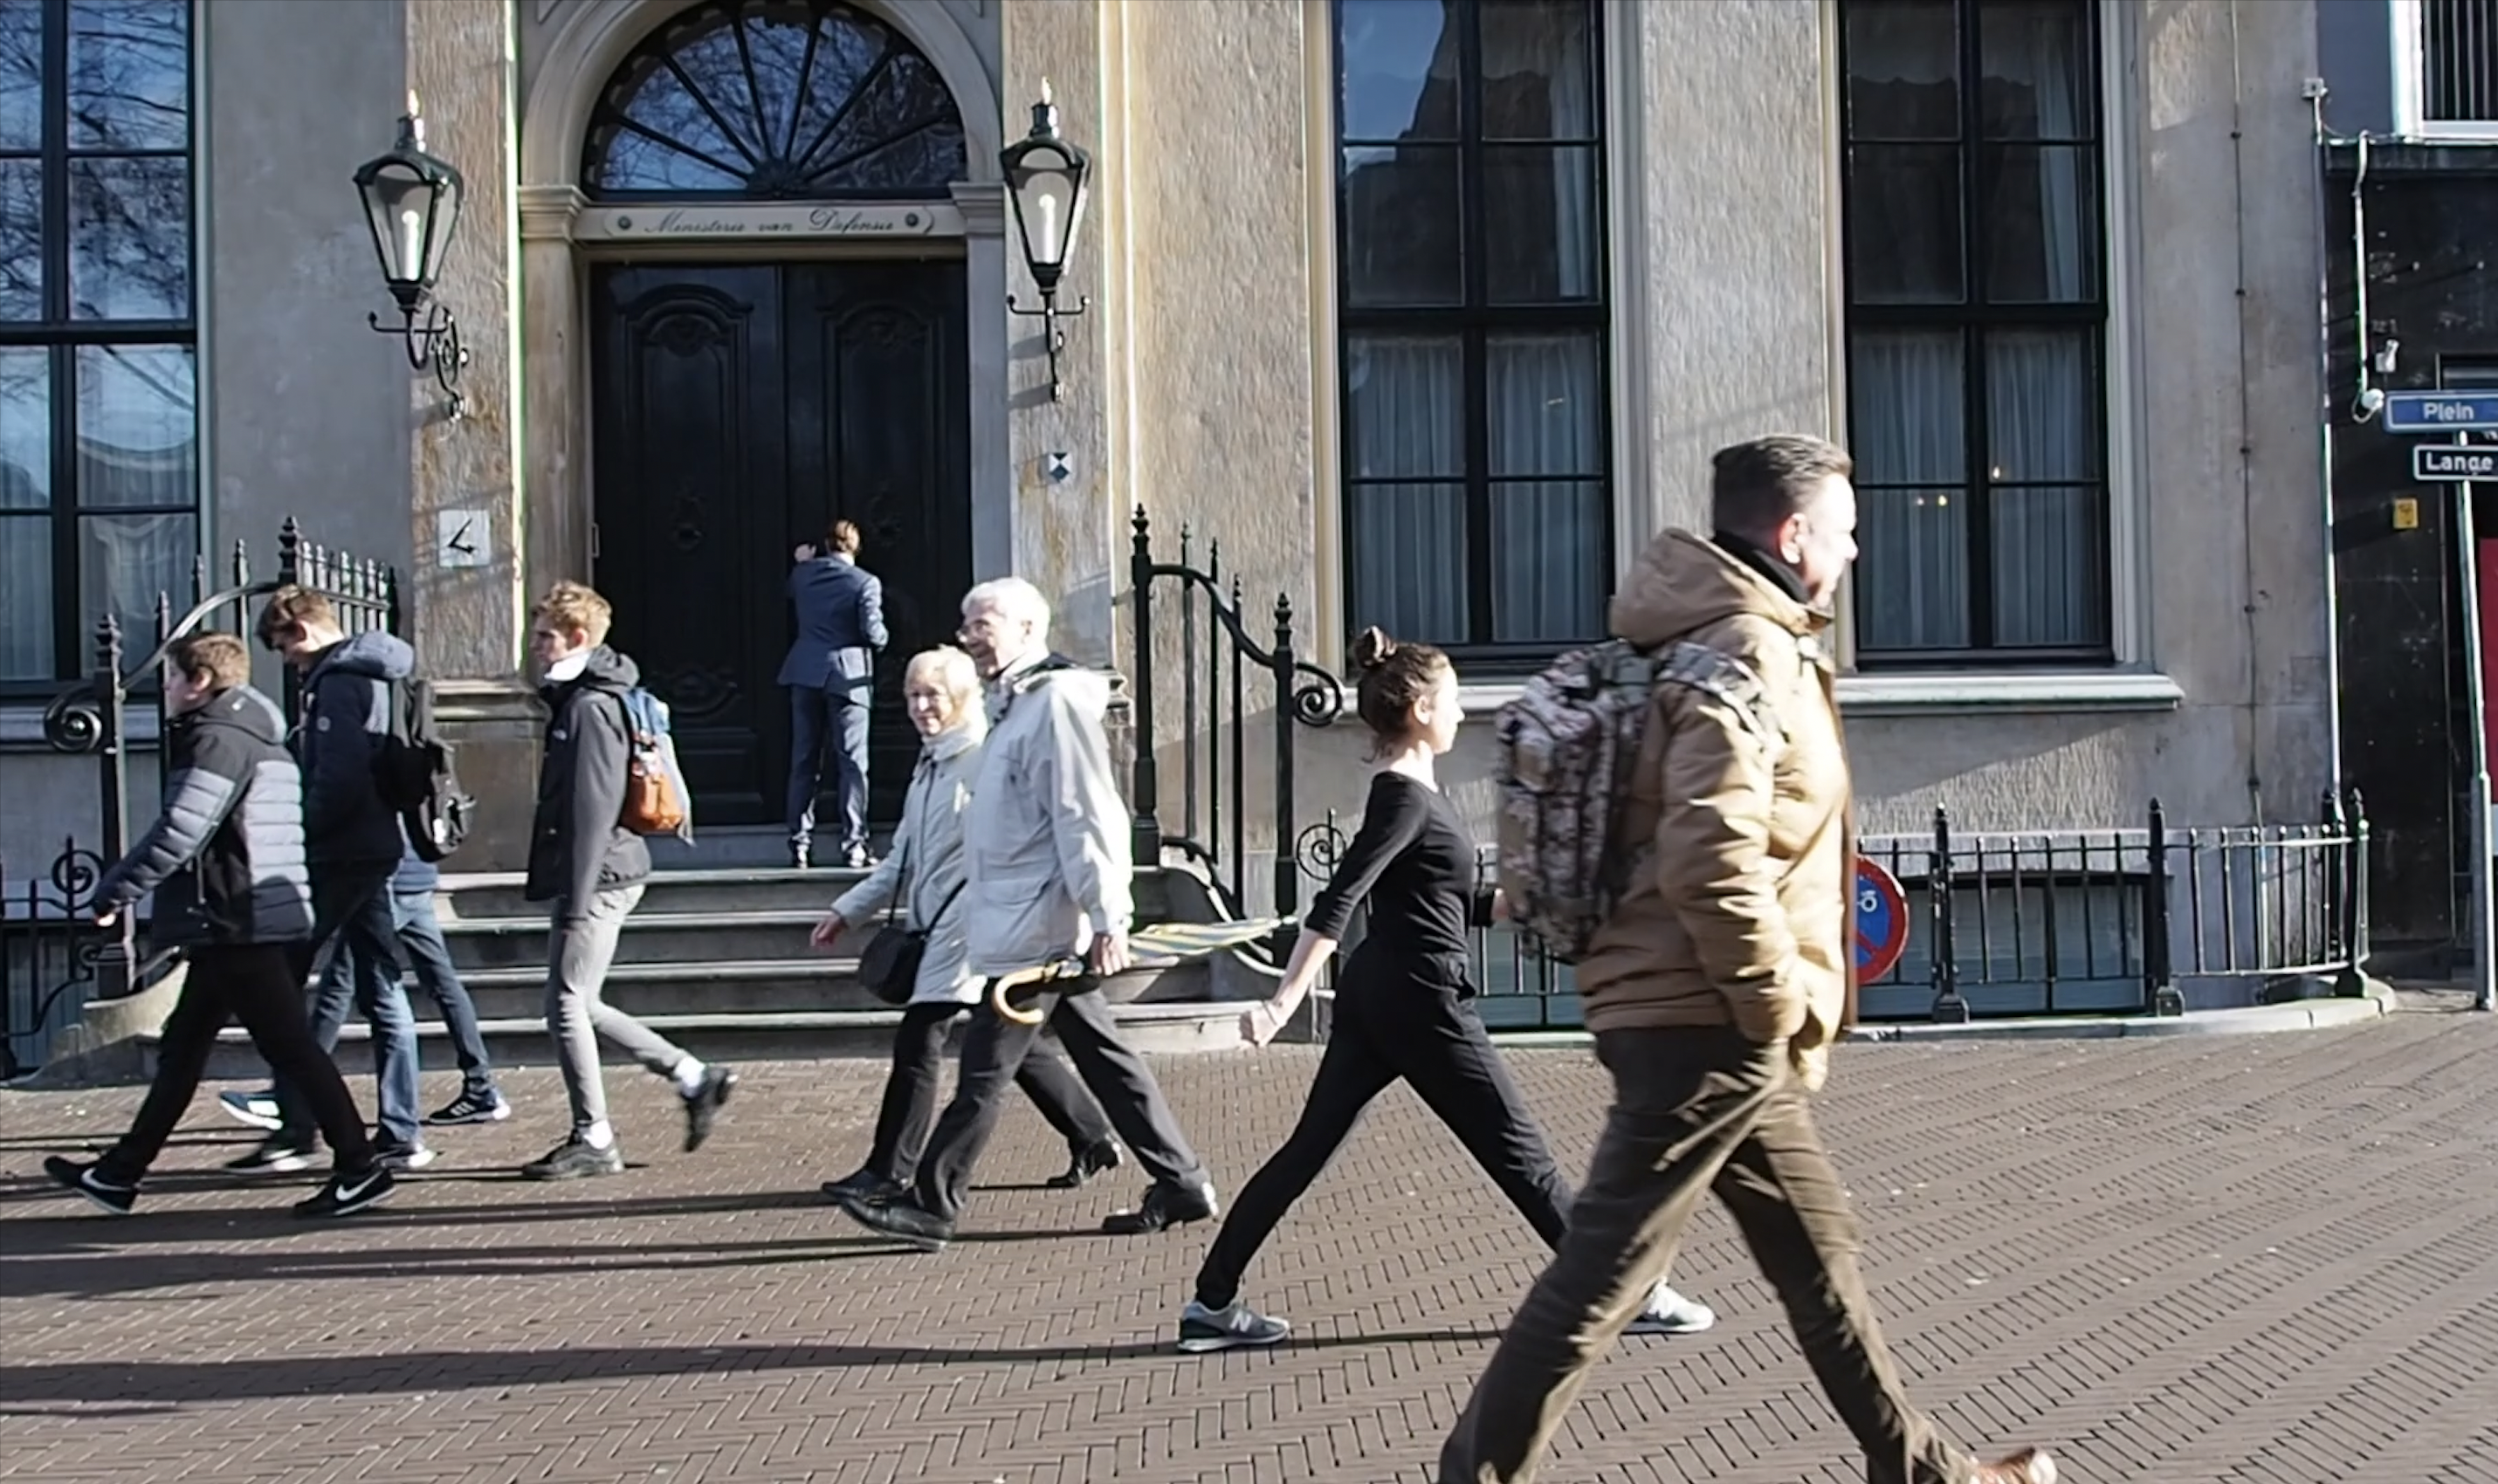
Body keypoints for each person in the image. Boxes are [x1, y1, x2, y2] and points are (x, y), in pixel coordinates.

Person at [1435, 437, 2055, 1484]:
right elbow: (1708, 847)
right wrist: (1774, 1000)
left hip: (1697, 1011)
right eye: (1845, 528)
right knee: (1605, 1273)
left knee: (1819, 1255)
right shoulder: (1746, 649)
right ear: (1794, 532)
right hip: (1707, 1018)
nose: (1856, 549)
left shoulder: (1703, 638)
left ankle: (1924, 1469)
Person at [1178, 628, 1717, 1355]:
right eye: (1456, 700)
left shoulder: (1413, 794)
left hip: (1384, 991)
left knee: (1307, 1150)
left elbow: (1446, 899)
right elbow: (1338, 902)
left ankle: (1211, 1303)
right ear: (1424, 707)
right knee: (1522, 1155)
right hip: (1422, 1000)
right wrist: (1282, 1003)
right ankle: (1628, 1293)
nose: (1464, 713)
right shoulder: (1401, 798)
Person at [843, 577, 1215, 1252]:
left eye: (982, 622)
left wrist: (1110, 916)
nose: (968, 636)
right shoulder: (1014, 706)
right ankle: (1181, 1180)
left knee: (983, 1070)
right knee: (1107, 1060)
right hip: (1022, 923)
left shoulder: (1052, 706)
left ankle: (932, 1204)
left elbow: (1086, 816)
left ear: (1026, 629)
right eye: (966, 622)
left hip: (1039, 933)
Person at [43, 632, 397, 1219]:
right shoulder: (259, 733)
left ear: (199, 681)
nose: (166, 692)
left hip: (237, 916)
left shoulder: (217, 739)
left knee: (290, 1047)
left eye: (172, 679)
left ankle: (359, 1166)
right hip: (238, 916)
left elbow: (181, 830)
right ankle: (118, 1173)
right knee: (185, 1048)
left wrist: (116, 891)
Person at [809, 646, 1123, 1204]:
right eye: (912, 695)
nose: (922, 706)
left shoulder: (983, 759)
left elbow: (1047, 830)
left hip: (977, 928)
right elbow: (901, 860)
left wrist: (1092, 909)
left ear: (962, 698)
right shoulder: (929, 766)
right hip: (936, 926)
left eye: (934, 695)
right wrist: (847, 910)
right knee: (1009, 1045)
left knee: (921, 1038)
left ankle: (891, 1169)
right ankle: (1093, 1135)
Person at [518, 580, 737, 1181]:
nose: (534, 646)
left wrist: (578, 897)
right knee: (576, 1001)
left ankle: (595, 1135)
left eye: (544, 636)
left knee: (566, 1004)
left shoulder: (589, 707)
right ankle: (693, 1077)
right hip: (605, 869)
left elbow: (592, 806)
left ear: (578, 639)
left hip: (602, 872)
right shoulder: (585, 697)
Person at [226, 586, 423, 1174]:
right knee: (382, 987)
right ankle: (399, 1128)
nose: (288, 661)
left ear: (304, 631)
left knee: (279, 983)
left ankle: (297, 1125)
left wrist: (299, 835)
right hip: (377, 845)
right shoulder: (382, 672)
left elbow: (336, 776)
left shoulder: (338, 681)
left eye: (286, 647)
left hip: (342, 854)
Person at [217, 821, 511, 1137]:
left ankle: (294, 1093)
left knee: (340, 984)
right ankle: (482, 1085)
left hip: (383, 880)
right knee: (441, 982)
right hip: (417, 873)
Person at [781, 520, 891, 869]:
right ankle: (854, 843)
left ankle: (799, 842)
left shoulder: (803, 576)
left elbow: (791, 593)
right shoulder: (865, 582)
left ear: (826, 545)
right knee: (853, 762)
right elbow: (874, 634)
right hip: (848, 676)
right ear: (856, 547)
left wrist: (801, 563)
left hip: (804, 672)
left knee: (804, 760)